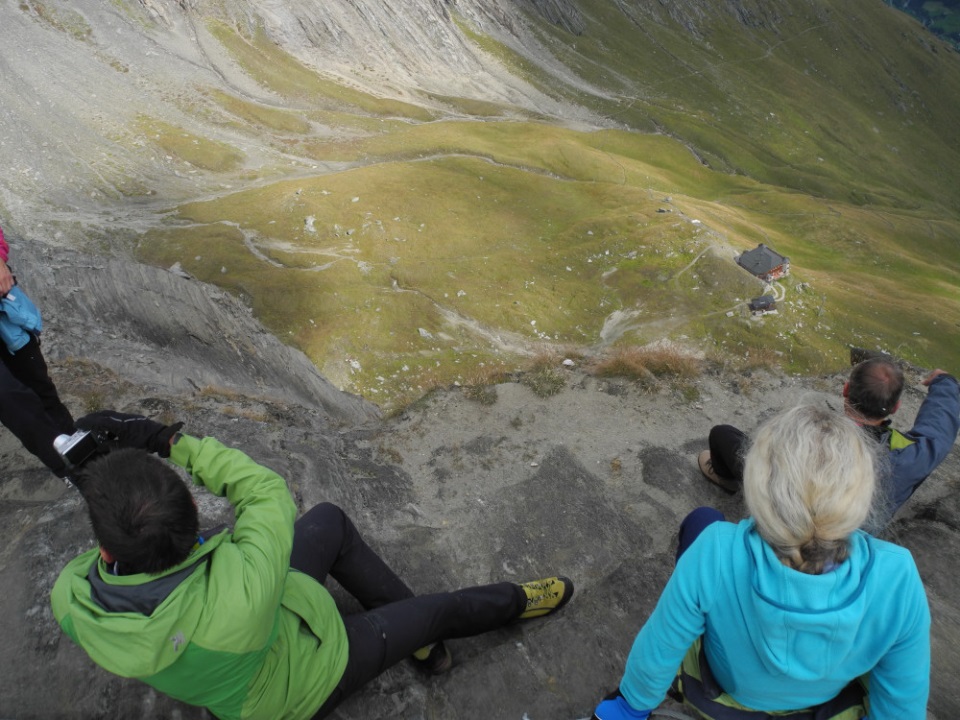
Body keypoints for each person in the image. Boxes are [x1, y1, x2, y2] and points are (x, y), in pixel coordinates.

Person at [51, 411, 574, 720]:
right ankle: (517, 603)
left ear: (105, 552)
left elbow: (116, 545)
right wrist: (166, 440)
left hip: (237, 673)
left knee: (328, 522)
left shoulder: (72, 601)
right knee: (436, 611)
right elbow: (262, 490)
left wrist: (99, 483)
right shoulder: (244, 577)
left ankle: (420, 643)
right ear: (193, 518)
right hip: (303, 684)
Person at [593, 403, 930, 720]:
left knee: (703, 520)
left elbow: (660, 646)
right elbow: (902, 704)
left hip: (723, 698)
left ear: (759, 483)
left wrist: (629, 708)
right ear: (861, 492)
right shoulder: (899, 574)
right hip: (824, 703)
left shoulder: (717, 549)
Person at [699, 356, 960, 525]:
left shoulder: (809, 434)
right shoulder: (911, 456)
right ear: (896, 407)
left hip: (787, 520)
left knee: (723, 434)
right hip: (852, 536)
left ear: (845, 390)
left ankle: (727, 479)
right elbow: (939, 429)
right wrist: (945, 383)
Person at [0, 222, 76, 478]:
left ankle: (83, 457)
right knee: (10, 397)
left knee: (40, 388)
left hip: (4, 314)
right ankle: (68, 469)